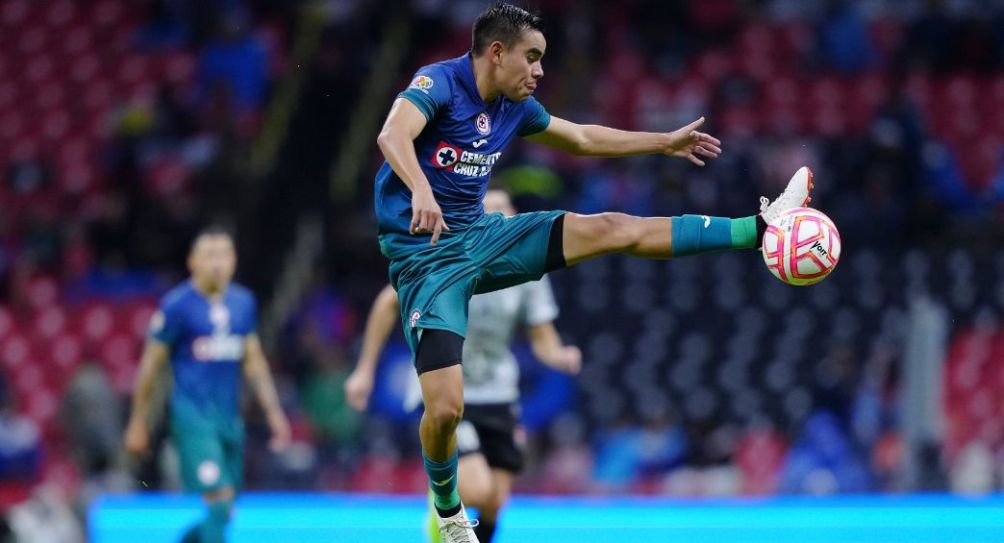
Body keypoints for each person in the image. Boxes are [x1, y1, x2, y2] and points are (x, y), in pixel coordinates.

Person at [374, 3, 813, 541]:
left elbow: (581, 139)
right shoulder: (438, 81)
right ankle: (446, 511)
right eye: (531, 58)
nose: (539, 71)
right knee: (444, 409)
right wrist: (420, 188)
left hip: (482, 235)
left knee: (610, 227)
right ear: (495, 52)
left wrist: (662, 142)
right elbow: (392, 136)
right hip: (426, 257)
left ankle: (761, 226)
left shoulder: (516, 106)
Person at [347, 189, 581, 543]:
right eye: (492, 212)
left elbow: (542, 337)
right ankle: (440, 503)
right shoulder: (446, 258)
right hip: (448, 385)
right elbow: (386, 303)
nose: (501, 219)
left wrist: (559, 355)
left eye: (507, 211)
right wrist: (364, 370)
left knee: (495, 501)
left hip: (499, 389)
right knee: (475, 488)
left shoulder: (531, 270)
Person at [123, 227, 291, 543]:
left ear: (234, 260)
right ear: (192, 262)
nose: (217, 263)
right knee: (220, 498)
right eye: (209, 255)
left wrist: (274, 413)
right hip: (193, 421)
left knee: (225, 511)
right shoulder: (177, 306)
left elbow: (253, 361)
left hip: (229, 421)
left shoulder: (244, 303)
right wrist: (137, 421)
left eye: (224, 255)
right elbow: (151, 366)